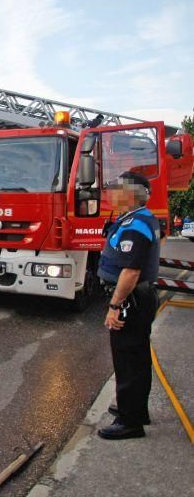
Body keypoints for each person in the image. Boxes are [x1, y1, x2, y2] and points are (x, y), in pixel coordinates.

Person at [97, 171, 161, 440]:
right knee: (136, 357)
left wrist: (114, 306)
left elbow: (131, 271)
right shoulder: (136, 219)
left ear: (131, 195)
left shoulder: (136, 224)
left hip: (131, 299)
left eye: (116, 190)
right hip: (137, 298)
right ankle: (135, 408)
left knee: (128, 359)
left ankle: (130, 422)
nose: (111, 195)